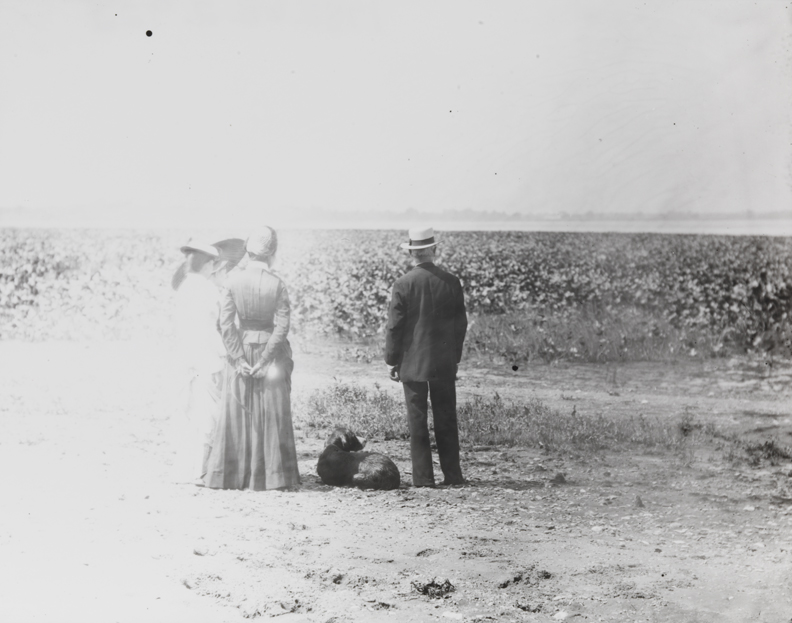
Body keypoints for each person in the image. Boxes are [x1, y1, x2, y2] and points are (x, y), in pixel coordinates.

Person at [204, 226, 301, 491]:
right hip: (269, 350)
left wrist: (238, 358)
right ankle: (272, 476)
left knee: (236, 410)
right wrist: (267, 359)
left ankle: (232, 476)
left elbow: (225, 324)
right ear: (272, 253)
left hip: (243, 349)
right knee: (272, 410)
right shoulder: (277, 284)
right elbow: (282, 327)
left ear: (248, 250)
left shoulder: (232, 282)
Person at [385, 226, 468, 487]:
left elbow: (395, 327)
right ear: (434, 249)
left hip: (412, 362)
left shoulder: (403, 283)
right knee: (446, 417)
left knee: (417, 420)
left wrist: (392, 360)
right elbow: (460, 325)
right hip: (443, 361)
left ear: (412, 254)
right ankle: (453, 476)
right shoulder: (451, 281)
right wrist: (454, 356)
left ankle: (423, 478)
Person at [171, 239, 228, 486]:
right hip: (206, 359)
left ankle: (184, 471)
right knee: (208, 417)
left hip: (185, 359)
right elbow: (215, 328)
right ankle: (200, 471)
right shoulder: (208, 290)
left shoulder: (184, 287)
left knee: (187, 414)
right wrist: (223, 354)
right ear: (209, 264)